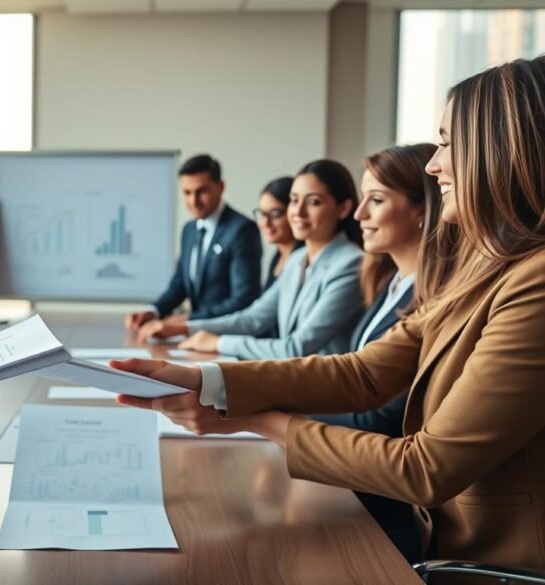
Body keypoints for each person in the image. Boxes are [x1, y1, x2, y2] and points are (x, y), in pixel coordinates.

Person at [113, 56, 545, 572]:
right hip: (446, 549)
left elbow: (425, 467)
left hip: (492, 566)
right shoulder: (487, 267)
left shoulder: (534, 282)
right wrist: (205, 380)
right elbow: (363, 372)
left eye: (449, 143)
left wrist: (250, 419)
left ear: (499, 149)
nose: (435, 165)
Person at [307, 143, 441, 562]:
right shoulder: (390, 283)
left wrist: (280, 417)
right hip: (358, 482)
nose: (359, 213)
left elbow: (384, 416)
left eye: (376, 200)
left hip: (386, 506)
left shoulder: (433, 298)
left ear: (423, 208)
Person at [138, 160, 365, 361]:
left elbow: (297, 347)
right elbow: (253, 318)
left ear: (343, 208)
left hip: (324, 396)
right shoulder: (297, 260)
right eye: (294, 201)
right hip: (292, 380)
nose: (298, 212)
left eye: (313, 202)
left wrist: (218, 342)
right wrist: (186, 328)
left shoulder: (351, 263)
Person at [125, 154, 262, 333]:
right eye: (187, 193)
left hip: (226, 336)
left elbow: (243, 300)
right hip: (194, 337)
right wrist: (153, 311)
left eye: (201, 191)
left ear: (220, 187)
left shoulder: (242, 230)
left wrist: (188, 319)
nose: (193, 201)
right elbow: (180, 284)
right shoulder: (189, 230)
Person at [253, 176, 302, 291]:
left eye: (275, 213)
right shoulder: (277, 257)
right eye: (261, 214)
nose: (266, 222)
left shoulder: (303, 259)